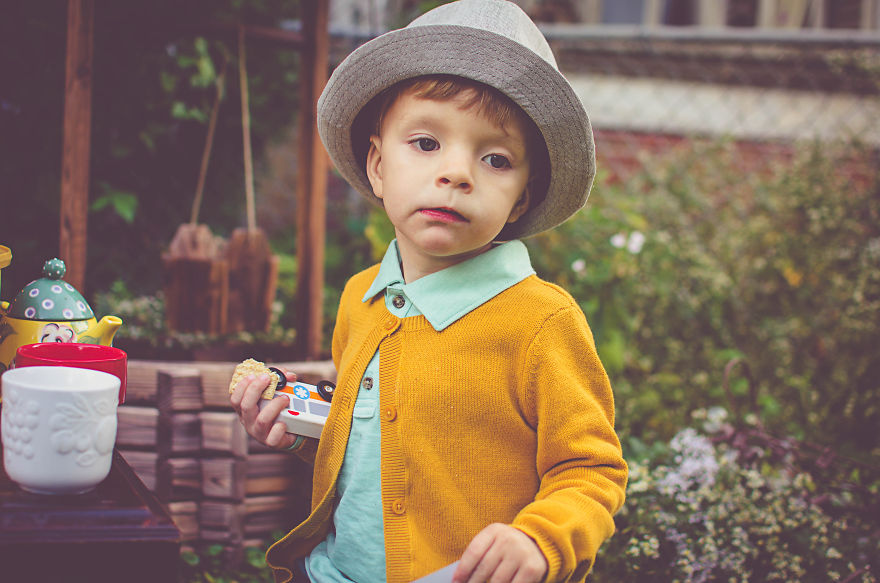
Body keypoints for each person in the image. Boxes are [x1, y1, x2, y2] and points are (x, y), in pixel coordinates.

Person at [229, 1, 627, 582]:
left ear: (519, 198)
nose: (457, 173)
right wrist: (300, 431)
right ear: (377, 164)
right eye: (425, 143)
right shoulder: (362, 297)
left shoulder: (539, 322)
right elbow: (371, 444)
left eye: (495, 158)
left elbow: (591, 469)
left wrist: (541, 541)